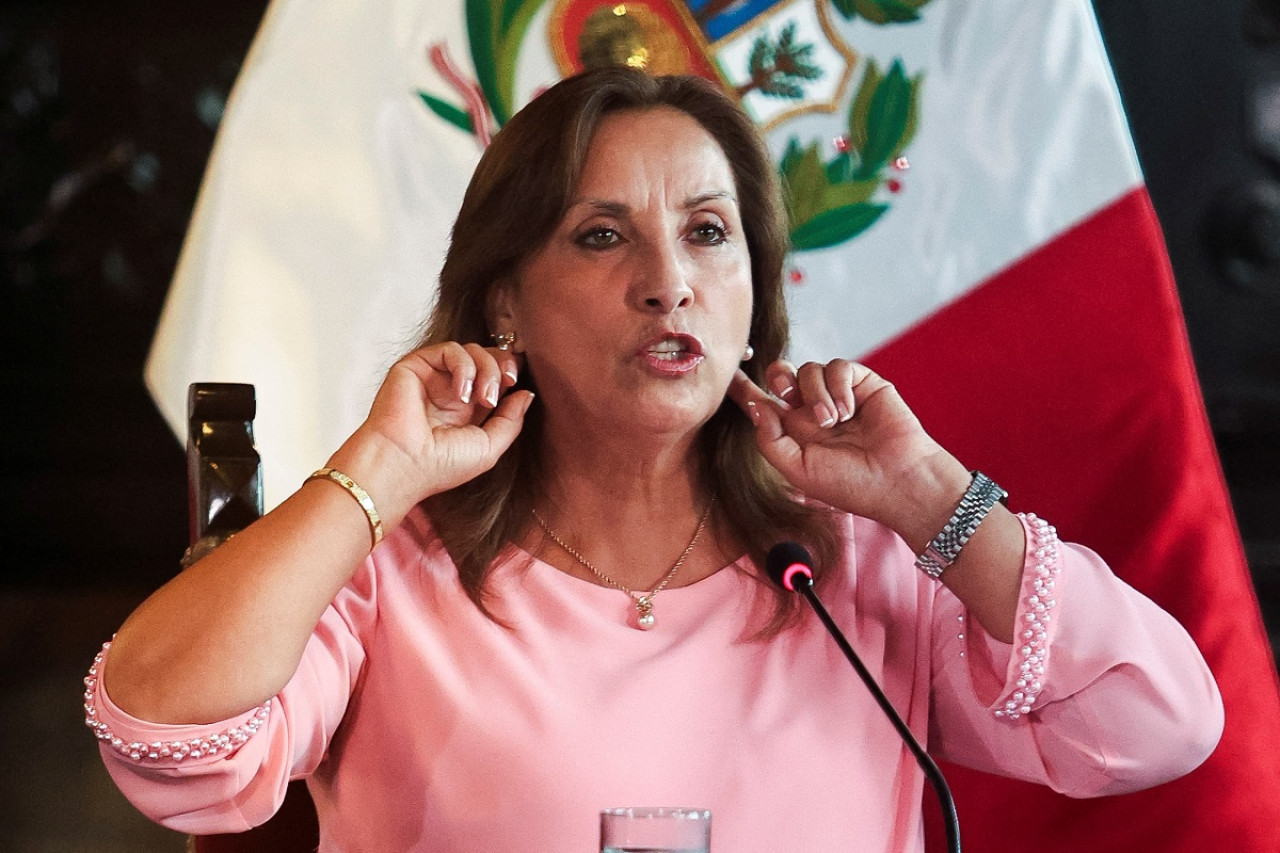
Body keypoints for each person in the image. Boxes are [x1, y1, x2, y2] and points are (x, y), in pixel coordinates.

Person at [85, 67, 1223, 852]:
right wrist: (375, 475)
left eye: (708, 232)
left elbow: (1156, 724)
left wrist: (927, 500)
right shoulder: (395, 575)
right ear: (503, 303)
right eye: (599, 234)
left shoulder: (854, 568)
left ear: (754, 293)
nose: (667, 280)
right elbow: (158, 733)